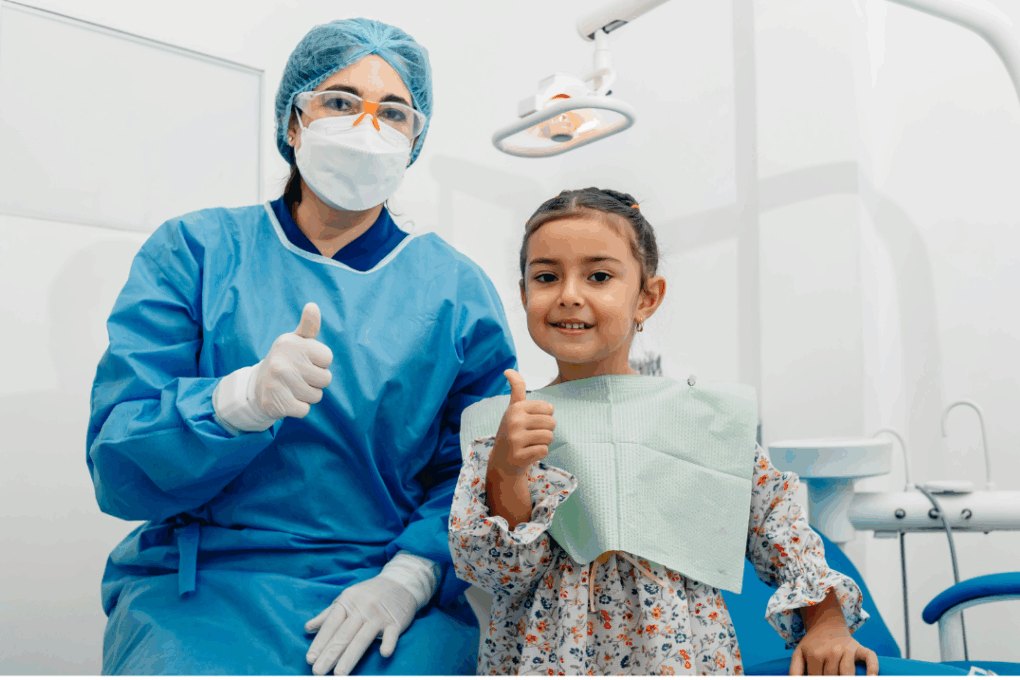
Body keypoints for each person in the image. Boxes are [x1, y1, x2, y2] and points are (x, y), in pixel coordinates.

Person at [87, 18, 516, 675]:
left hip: (382, 580)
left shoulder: (456, 291)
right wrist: (237, 401)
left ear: (415, 138)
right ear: (293, 123)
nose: (366, 127)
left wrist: (411, 577)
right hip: (204, 584)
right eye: (340, 103)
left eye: (393, 112)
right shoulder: (196, 253)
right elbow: (119, 468)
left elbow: (476, 467)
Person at [448, 188, 881, 675]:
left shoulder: (702, 420)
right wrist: (508, 471)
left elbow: (778, 529)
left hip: (678, 659)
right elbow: (499, 573)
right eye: (547, 276)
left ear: (647, 298)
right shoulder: (503, 428)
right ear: (525, 294)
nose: (569, 294)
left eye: (599, 275)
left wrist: (826, 624)